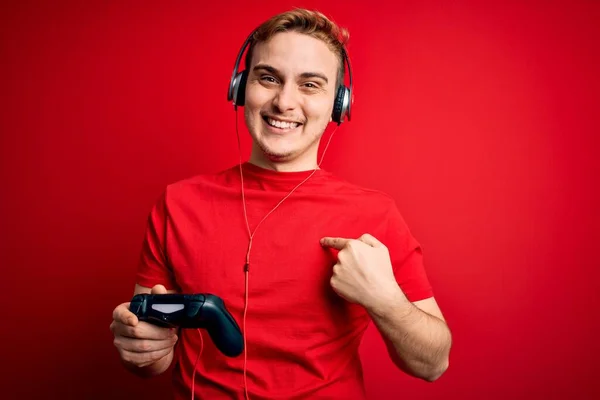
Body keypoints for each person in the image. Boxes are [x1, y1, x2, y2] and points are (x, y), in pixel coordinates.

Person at [110, 8, 452, 400]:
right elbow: (152, 358)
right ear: (240, 88)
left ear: (338, 105)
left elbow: (433, 364)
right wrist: (140, 347)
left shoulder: (375, 216)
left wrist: (385, 300)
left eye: (310, 85)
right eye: (268, 78)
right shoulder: (178, 203)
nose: (284, 102)